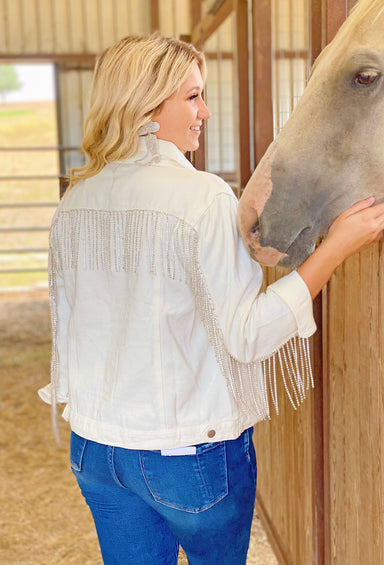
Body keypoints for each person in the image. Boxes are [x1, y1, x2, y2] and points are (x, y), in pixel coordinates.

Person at [38, 33, 384, 565]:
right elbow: (248, 337)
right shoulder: (203, 198)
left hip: (95, 449)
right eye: (192, 97)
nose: (204, 111)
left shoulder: (76, 200)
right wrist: (335, 248)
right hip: (187, 454)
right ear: (147, 104)